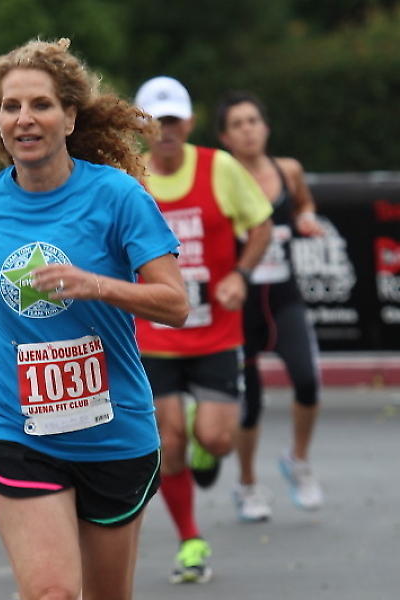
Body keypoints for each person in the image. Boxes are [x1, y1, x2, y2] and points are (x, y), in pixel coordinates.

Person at [0, 39, 189, 600]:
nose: (24, 118)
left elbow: (175, 303)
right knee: (53, 593)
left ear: (69, 117)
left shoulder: (118, 198)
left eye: (40, 104)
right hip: (15, 423)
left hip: (112, 428)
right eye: (10, 107)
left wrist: (95, 285)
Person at [133, 76, 273, 584]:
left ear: (189, 122)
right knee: (167, 444)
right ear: (141, 126)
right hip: (154, 335)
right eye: (156, 121)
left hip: (216, 332)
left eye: (174, 120)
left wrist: (240, 275)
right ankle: (190, 539)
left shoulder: (220, 168)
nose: (166, 130)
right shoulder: (129, 177)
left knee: (216, 440)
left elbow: (261, 225)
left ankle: (202, 439)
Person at [216, 90, 324, 523]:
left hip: (283, 295)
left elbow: (304, 202)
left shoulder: (288, 170)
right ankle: (246, 484)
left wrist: (306, 217)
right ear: (225, 137)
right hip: (239, 302)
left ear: (266, 127)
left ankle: (298, 459)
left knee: (307, 380)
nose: (248, 130)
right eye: (237, 124)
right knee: (250, 402)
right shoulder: (220, 177)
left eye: (253, 121)